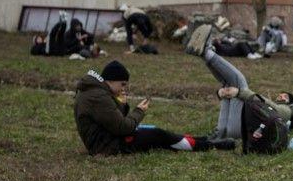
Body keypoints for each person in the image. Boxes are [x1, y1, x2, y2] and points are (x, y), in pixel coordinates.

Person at [73, 60, 234, 155]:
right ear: (110, 80)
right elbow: (123, 127)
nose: (124, 88)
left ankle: (205, 139)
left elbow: (115, 120)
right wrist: (139, 111)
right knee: (157, 135)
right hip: (107, 146)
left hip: (108, 139)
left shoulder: (97, 91)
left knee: (155, 131)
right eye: (122, 84)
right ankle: (212, 145)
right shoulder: (98, 97)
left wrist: (121, 103)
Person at [185, 24, 293, 139]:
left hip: (241, 129)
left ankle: (206, 52)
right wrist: (223, 93)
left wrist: (240, 92)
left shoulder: (287, 111)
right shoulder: (273, 112)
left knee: (239, 81)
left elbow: (273, 106)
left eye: (285, 97)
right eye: (280, 95)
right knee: (228, 84)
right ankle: (204, 54)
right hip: (230, 129)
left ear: (291, 103)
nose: (281, 96)